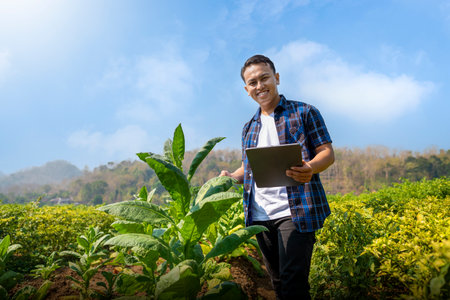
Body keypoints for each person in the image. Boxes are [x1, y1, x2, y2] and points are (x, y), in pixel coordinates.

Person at [220, 54, 334, 300]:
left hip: (296, 211)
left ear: (277, 78)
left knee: (293, 282)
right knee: (278, 282)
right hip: (260, 215)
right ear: (246, 89)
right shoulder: (249, 127)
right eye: (253, 82)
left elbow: (327, 153)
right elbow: (246, 168)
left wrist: (311, 168)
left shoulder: (304, 112)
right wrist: (230, 177)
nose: (259, 86)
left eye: (264, 78)